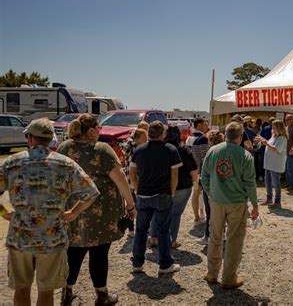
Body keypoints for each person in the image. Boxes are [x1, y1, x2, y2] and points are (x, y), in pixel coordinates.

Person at [0, 118, 99, 306]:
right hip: (52, 237)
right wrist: (73, 213)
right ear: (50, 139)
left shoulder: (11, 163)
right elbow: (91, 192)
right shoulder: (65, 164)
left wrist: (4, 212)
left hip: (20, 236)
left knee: (21, 288)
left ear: (30, 138)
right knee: (46, 291)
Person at [57, 114, 136, 306]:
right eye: (99, 128)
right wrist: (130, 203)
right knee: (99, 254)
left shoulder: (64, 148)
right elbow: (119, 179)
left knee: (73, 253)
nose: (100, 132)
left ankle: (66, 293)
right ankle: (102, 295)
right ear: (91, 130)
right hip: (101, 211)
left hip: (72, 210)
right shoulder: (102, 149)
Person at [201, 122, 259, 289]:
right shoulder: (245, 155)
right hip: (237, 203)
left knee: (215, 237)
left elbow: (204, 176)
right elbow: (250, 183)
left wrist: (212, 194)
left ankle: (212, 274)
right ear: (240, 137)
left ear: (225, 135)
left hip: (217, 201)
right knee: (234, 240)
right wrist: (255, 204)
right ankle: (228, 278)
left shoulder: (213, 150)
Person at [130, 121, 181, 274]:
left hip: (143, 195)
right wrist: (171, 193)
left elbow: (132, 174)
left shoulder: (139, 150)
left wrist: (138, 190)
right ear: (163, 134)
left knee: (140, 230)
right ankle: (165, 264)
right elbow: (174, 175)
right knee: (163, 230)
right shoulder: (170, 149)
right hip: (162, 194)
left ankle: (137, 263)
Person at [163, 126, 198, 248]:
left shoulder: (162, 149)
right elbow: (193, 170)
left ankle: (155, 237)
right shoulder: (184, 149)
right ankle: (172, 240)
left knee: (160, 213)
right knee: (175, 214)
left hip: (164, 186)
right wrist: (196, 184)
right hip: (183, 187)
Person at [198, 130, 225, 245]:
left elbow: (205, 173)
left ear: (212, 140)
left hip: (210, 186)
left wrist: (202, 186)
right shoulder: (225, 153)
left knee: (210, 212)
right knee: (221, 212)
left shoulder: (210, 154)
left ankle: (208, 236)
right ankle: (221, 234)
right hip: (222, 186)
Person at [257, 120, 288, 208]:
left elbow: (276, 148)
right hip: (269, 163)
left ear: (278, 128)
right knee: (268, 181)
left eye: (274, 127)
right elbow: (270, 144)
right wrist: (263, 140)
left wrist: (266, 143)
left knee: (275, 183)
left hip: (275, 164)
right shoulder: (274, 136)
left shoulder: (282, 138)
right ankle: (269, 198)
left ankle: (277, 201)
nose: (272, 128)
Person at [185, 117, 209, 226]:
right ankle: (199, 217)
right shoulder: (203, 138)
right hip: (200, 171)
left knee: (195, 194)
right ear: (199, 125)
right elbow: (206, 156)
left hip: (192, 171)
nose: (207, 125)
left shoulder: (189, 137)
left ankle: (198, 216)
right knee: (199, 194)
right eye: (205, 123)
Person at [284, 114, 293, 191]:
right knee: (287, 168)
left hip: (291, 152)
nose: (287, 121)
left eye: (288, 119)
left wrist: (292, 149)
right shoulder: (287, 128)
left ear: (292, 120)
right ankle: (289, 184)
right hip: (286, 151)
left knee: (290, 169)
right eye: (286, 120)